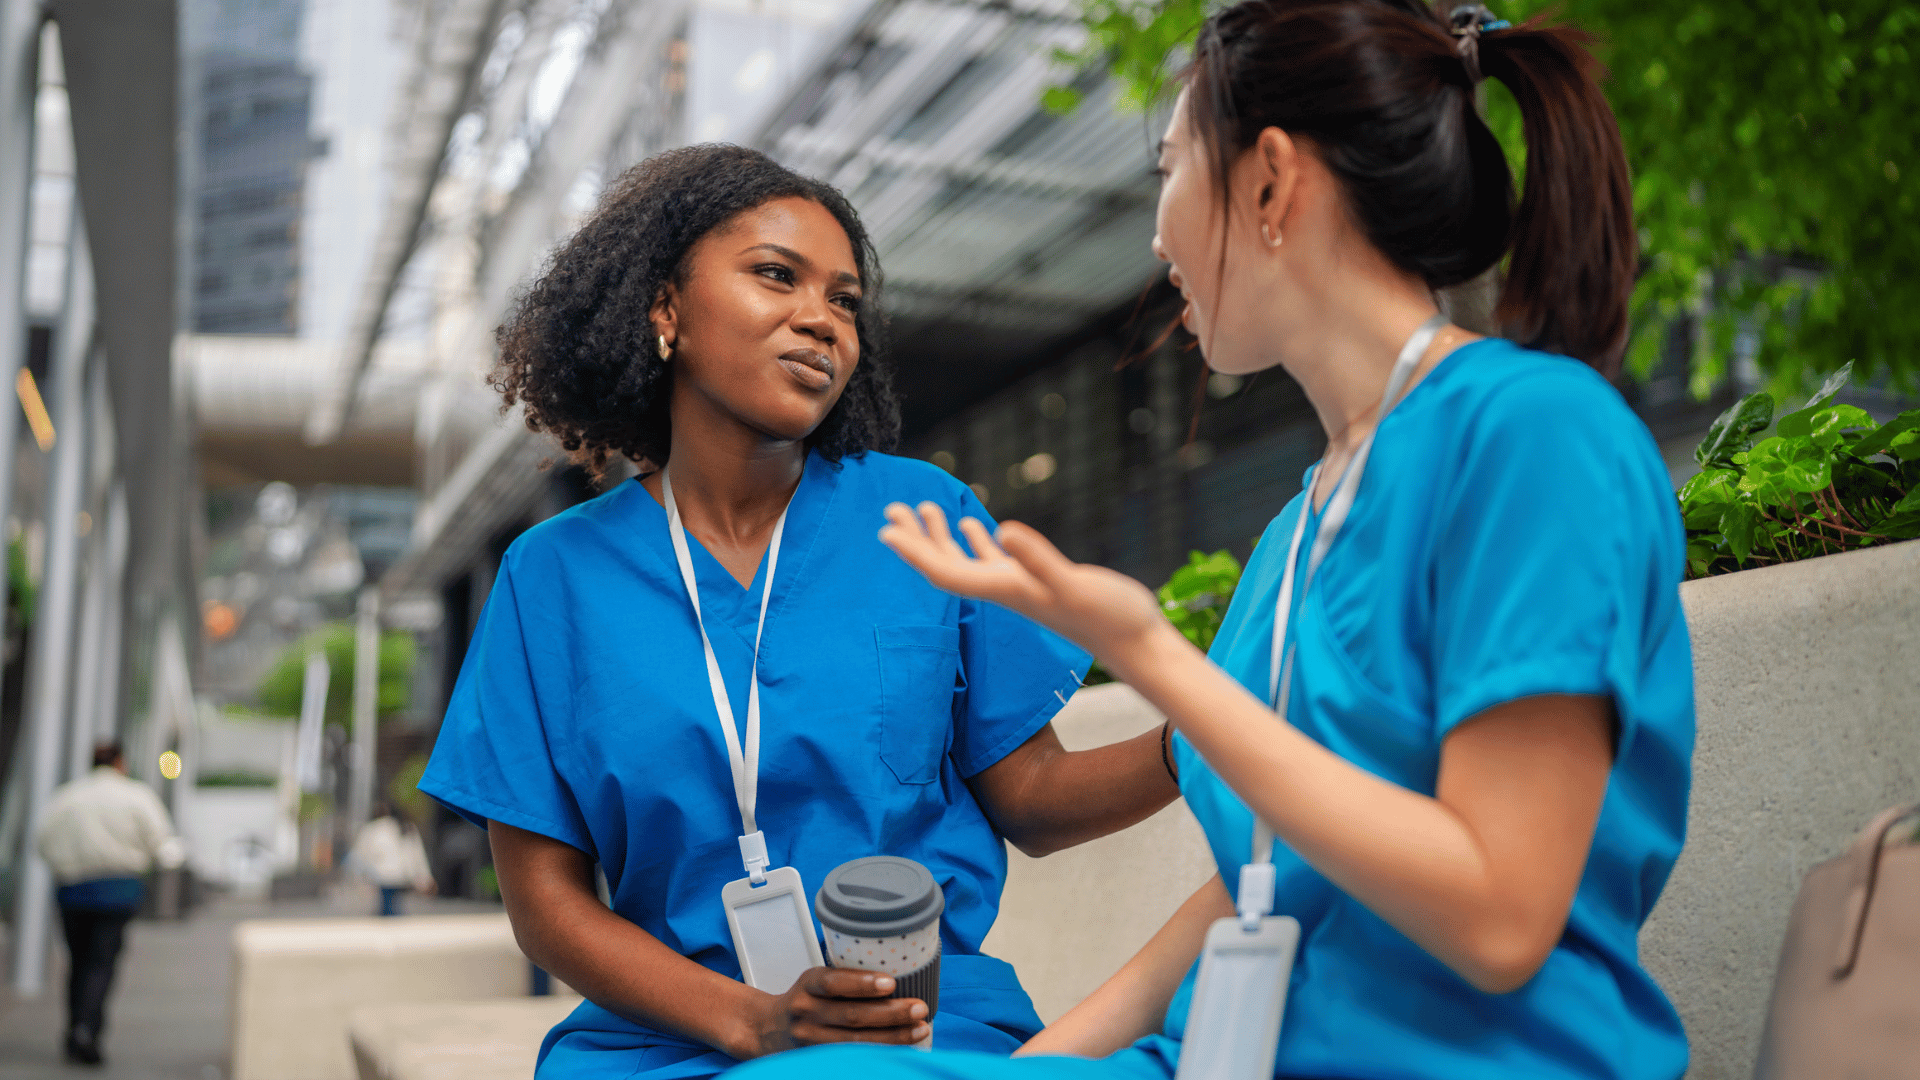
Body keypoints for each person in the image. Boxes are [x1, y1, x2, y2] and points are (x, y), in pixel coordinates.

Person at [734, 2, 1695, 1079]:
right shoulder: (1298, 529)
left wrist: (1151, 658)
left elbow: (1500, 918)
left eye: (1171, 169)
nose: (1157, 235)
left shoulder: (1531, 434)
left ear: (1271, 183)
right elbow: (1258, 890)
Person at [418, 144, 1184, 1080]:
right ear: (666, 309)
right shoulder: (553, 576)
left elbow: (1031, 797)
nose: (820, 320)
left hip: (917, 1025)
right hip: (666, 1037)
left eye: (846, 301)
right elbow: (545, 902)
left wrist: (1201, 742)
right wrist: (748, 1022)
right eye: (776, 276)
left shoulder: (924, 520)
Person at [36, 741, 186, 1065]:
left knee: (77, 961)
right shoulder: (136, 796)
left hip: (72, 890)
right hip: (118, 891)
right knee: (102, 962)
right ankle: (88, 1029)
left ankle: (76, 1026)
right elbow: (162, 842)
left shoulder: (67, 797)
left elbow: (42, 840)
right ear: (121, 761)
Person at [347, 801, 435, 915]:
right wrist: (424, 877)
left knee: (386, 908)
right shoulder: (407, 827)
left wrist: (359, 876)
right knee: (395, 908)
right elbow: (416, 854)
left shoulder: (372, 829)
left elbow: (360, 854)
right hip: (400, 876)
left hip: (381, 876)